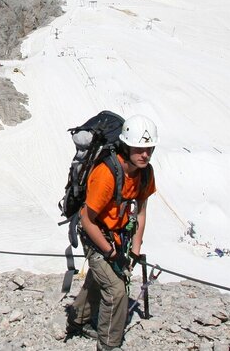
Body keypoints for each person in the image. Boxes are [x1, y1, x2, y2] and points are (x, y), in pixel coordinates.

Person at [67, 115, 158, 351]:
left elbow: (141, 211)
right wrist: (111, 252)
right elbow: (88, 219)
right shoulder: (107, 174)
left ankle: (77, 320)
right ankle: (108, 345)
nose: (145, 155)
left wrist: (135, 248)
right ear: (126, 147)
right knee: (116, 290)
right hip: (94, 234)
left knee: (100, 279)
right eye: (139, 149)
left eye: (149, 149)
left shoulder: (145, 173)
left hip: (118, 235)